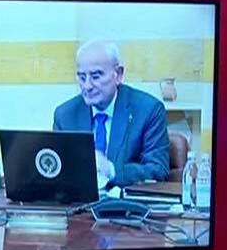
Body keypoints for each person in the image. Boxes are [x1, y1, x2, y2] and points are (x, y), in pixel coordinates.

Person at [50, 41, 170, 189]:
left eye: (96, 76)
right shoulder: (65, 115)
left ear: (118, 74)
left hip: (125, 201)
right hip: (79, 200)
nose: (87, 86)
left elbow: (158, 169)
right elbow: (58, 170)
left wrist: (111, 170)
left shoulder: (148, 110)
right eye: (82, 77)